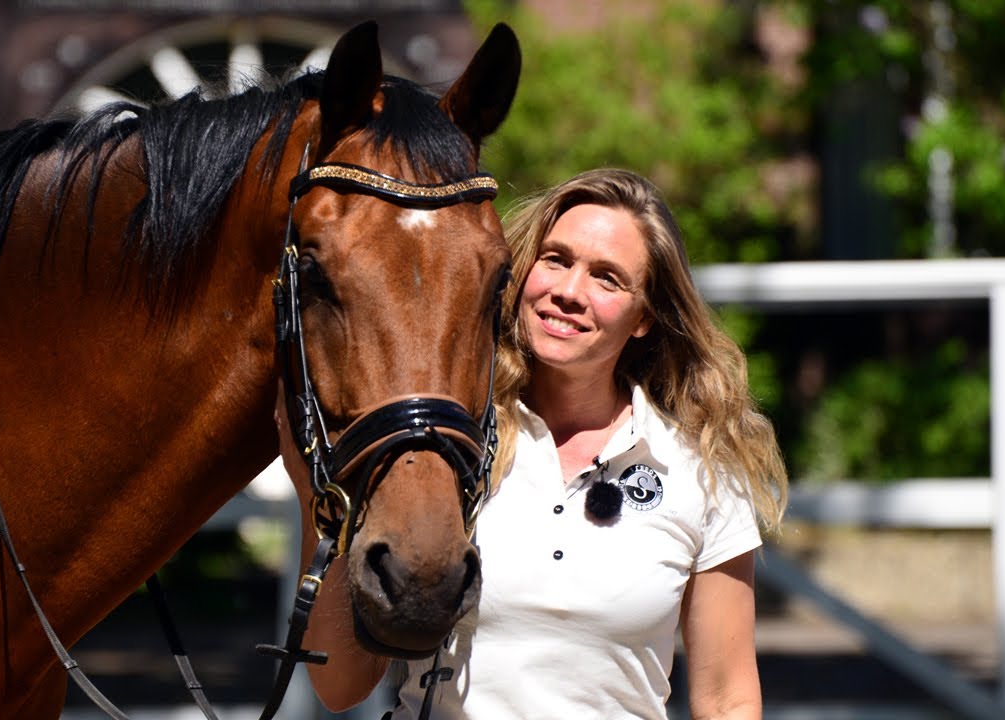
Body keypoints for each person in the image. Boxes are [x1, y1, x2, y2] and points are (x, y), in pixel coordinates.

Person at [300, 168, 788, 719]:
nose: (569, 291)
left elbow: (727, 701)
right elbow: (340, 685)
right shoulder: (443, 450)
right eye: (556, 259)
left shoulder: (700, 474)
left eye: (607, 278)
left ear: (645, 316)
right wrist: (317, 487)